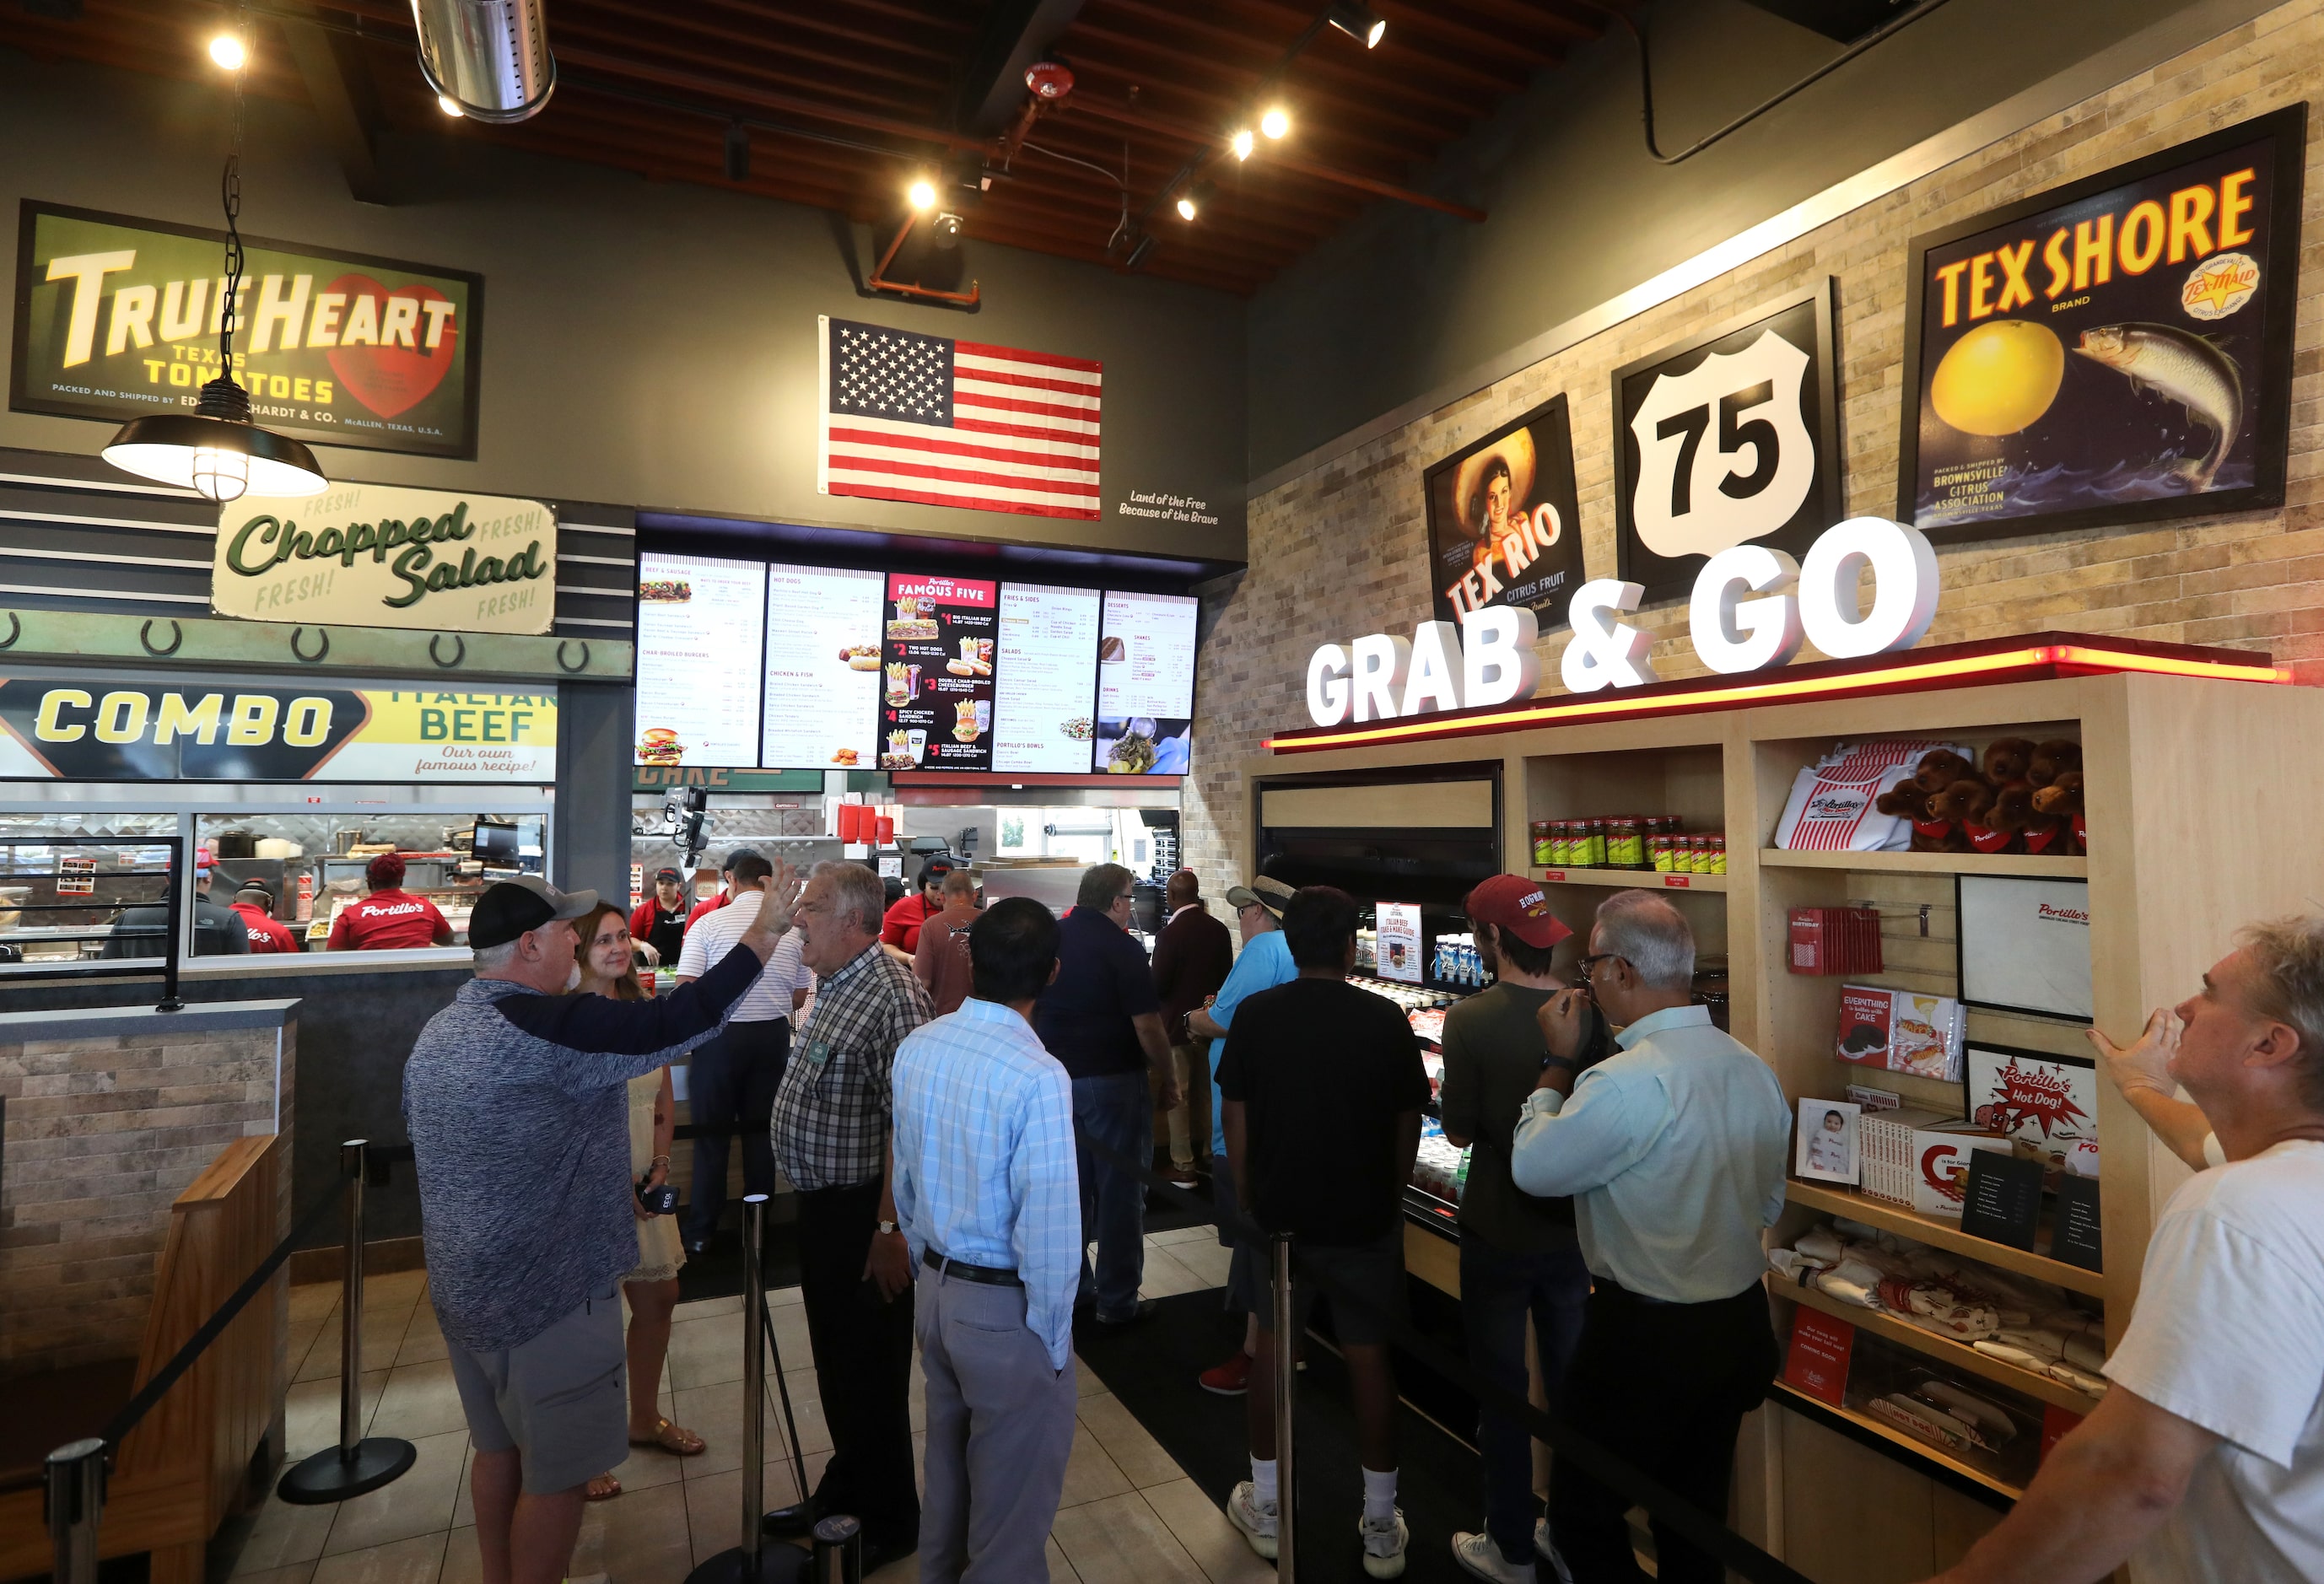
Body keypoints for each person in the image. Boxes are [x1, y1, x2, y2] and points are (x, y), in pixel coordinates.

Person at [402, 868, 799, 1584]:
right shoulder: (550, 1025)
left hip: (466, 1289)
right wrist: (763, 933)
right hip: (547, 1294)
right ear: (529, 946)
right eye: (566, 932)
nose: (575, 943)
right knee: (554, 1478)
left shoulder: (444, 1026)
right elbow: (682, 1019)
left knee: (500, 1454)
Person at [1921, 917, 2324, 1584]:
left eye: (2209, 992)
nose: (2184, 1009)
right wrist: (2140, 1087)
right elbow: (2203, 1142)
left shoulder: (2238, 1208)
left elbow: (2131, 1472)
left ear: (2267, 1045)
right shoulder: (2286, 1180)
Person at [1509, 891, 1790, 1584]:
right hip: (1736, 1324)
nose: (1587, 980)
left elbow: (1532, 1169)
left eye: (1592, 965)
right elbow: (1767, 1200)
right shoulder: (1751, 1067)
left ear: (1623, 972)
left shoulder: (1623, 1081)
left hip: (1644, 1336)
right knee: (1692, 1519)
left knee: (1578, 1519)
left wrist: (1554, 1069)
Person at [1218, 884, 1426, 1578]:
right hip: (1363, 1217)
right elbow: (1406, 1124)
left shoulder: (1255, 1015)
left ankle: (1270, 1509)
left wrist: (1249, 1195)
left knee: (1272, 1351)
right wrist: (1388, 1194)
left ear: (1289, 942)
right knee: (1369, 1359)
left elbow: (1236, 1114)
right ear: (1348, 947)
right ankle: (1378, 1522)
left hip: (1277, 1217)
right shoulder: (1385, 1019)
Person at [892, 897, 1081, 1583]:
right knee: (1008, 1522)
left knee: (946, 1481)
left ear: (969, 959)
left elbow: (905, 1180)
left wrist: (926, 1266)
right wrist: (1053, 1342)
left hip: (937, 1294)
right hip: (1004, 1313)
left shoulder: (921, 1045)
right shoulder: (1037, 1075)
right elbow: (1050, 1232)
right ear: (1052, 972)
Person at [763, 861, 931, 1571]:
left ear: (858, 920)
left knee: (870, 1371)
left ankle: (891, 1520)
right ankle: (844, 1487)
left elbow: (909, 1127)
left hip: (867, 1219)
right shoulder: (832, 981)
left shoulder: (894, 994)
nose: (799, 918)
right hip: (826, 1212)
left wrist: (889, 1230)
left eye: (814, 907)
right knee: (836, 1363)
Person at [1441, 876, 1591, 1584]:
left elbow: (1459, 1129)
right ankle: (1570, 1536)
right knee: (1571, 1393)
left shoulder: (1469, 1018)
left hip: (1495, 1227)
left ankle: (1509, 1546)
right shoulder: (1587, 1015)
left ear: (1491, 937)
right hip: (1573, 1233)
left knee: (1501, 1393)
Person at [569, 902, 705, 1503]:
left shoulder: (641, 1010)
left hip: (642, 1183)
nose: (618, 948)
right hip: (588, 1187)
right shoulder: (563, 1018)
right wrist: (611, 1182)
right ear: (576, 950)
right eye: (603, 940)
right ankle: (583, 1450)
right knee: (590, 1321)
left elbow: (661, 1097)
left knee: (659, 1298)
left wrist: (656, 1167)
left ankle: (642, 1418)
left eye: (622, 936)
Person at [1033, 862, 1180, 1327]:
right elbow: (1147, 1025)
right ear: (1117, 902)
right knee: (1120, 1193)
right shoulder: (1124, 949)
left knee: (1068, 1193)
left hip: (1055, 1081)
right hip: (1113, 1083)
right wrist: (1171, 1076)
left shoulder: (1051, 937)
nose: (1132, 907)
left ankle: (1075, 1290)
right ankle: (1118, 1302)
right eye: (1130, 899)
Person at [1189, 874, 1300, 1395]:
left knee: (1256, 1247)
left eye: (1245, 911)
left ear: (1262, 914)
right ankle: (1284, 1345)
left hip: (1241, 1122)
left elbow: (1222, 1022)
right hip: (1278, 1115)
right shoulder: (1296, 951)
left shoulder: (1263, 950)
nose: (1239, 919)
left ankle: (1260, 1356)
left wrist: (1194, 1018)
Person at [673, 854, 812, 1255]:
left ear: (730, 879)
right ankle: (760, 1227)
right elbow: (800, 994)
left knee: (711, 1138)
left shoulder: (709, 923)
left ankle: (701, 1232)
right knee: (761, 1138)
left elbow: (684, 990)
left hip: (718, 1039)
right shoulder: (789, 933)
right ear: (767, 882)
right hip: (771, 1039)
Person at [1150, 868, 1232, 1190]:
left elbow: (1157, 984)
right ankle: (1214, 1155)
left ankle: (1184, 1165)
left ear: (1170, 897)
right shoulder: (1219, 930)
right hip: (1212, 1024)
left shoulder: (1170, 935)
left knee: (1179, 1096)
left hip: (1176, 1027)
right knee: (1209, 1093)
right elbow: (1226, 978)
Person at [104, 847, 249, 958]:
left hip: (140, 996)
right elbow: (240, 973)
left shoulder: (130, 917)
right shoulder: (228, 920)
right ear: (208, 877)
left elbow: (108, 966)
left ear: (167, 879)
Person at [326, 853, 454, 950]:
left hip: (371, 982)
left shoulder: (350, 915)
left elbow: (333, 957)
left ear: (369, 881)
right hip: (421, 981)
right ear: (401, 880)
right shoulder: (424, 906)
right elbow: (447, 940)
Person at [910, 866, 979, 1017]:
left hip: (942, 1017)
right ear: (975, 895)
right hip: (983, 1017)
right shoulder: (991, 922)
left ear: (941, 897)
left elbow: (922, 982)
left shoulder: (930, 926)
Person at [882, 856, 954, 956]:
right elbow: (886, 946)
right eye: (934, 888)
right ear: (923, 885)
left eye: (947, 887)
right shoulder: (904, 907)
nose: (940, 893)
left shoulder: (960, 908)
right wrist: (909, 959)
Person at [683, 847, 762, 931]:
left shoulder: (769, 909)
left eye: (755, 875)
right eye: (745, 875)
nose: (750, 880)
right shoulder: (703, 910)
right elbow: (688, 943)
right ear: (729, 876)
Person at [628, 867, 689, 967]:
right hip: (650, 970)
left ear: (679, 886)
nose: (664, 887)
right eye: (661, 883)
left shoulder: (689, 909)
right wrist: (643, 946)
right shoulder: (643, 910)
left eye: (670, 884)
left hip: (682, 968)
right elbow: (630, 940)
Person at [229, 881, 299, 954]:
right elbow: (295, 963)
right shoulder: (277, 931)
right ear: (269, 902)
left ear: (234, 899)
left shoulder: (217, 923)